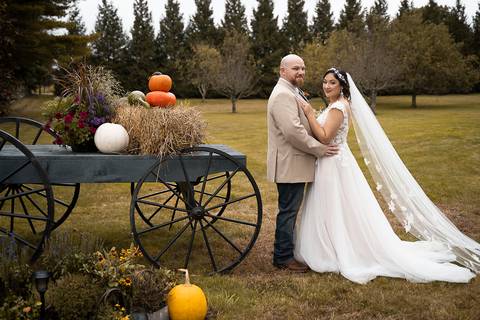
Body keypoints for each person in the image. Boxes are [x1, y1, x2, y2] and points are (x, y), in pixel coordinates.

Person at [293, 67, 479, 283]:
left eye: (332, 82)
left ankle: (334, 250)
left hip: (333, 163)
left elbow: (325, 137)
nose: (327, 86)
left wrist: (308, 113)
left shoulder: (338, 108)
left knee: (334, 207)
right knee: (336, 207)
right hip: (333, 162)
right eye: (325, 82)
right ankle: (331, 245)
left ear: (342, 86)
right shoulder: (338, 105)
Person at [266, 54, 338, 272]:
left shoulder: (292, 91)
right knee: (288, 211)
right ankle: (283, 258)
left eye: (303, 68)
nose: (301, 72)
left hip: (295, 163)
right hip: (290, 164)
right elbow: (294, 133)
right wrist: (320, 150)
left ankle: (286, 251)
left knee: (290, 209)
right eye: (296, 68)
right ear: (283, 71)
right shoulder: (282, 95)